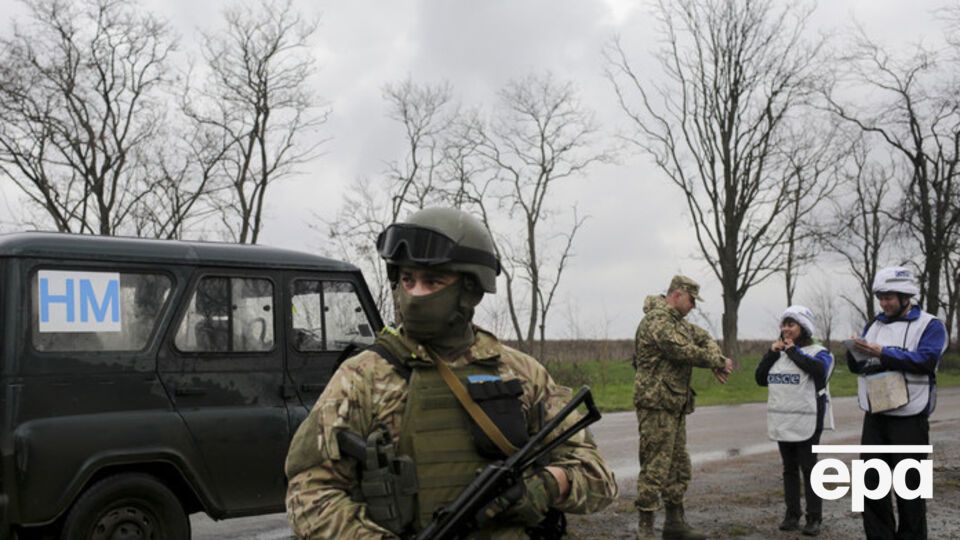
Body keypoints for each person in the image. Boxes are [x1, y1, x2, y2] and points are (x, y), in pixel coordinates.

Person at [284, 207, 618, 539]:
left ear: (470, 289)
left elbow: (598, 478)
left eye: (432, 281)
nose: (414, 295)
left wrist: (547, 486)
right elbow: (308, 495)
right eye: (407, 280)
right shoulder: (362, 376)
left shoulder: (521, 374)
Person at [847, 266, 946, 540]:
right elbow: (860, 366)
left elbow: (926, 360)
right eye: (881, 297)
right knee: (871, 486)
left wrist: (884, 353)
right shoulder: (874, 325)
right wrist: (854, 352)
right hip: (876, 417)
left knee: (910, 490)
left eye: (889, 297)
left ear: (905, 297)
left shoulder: (930, 325)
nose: (884, 303)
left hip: (910, 419)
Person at [633, 275, 734, 540]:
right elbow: (682, 351)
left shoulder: (680, 324)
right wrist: (718, 361)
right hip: (656, 404)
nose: (693, 306)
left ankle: (674, 522)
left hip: (674, 404)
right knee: (655, 465)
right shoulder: (657, 321)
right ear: (677, 295)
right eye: (691, 300)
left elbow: (704, 338)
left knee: (678, 465)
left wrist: (716, 357)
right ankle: (646, 527)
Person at [755, 306, 834, 537]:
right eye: (784, 325)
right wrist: (772, 353)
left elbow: (819, 371)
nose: (786, 329)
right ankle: (792, 514)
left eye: (791, 325)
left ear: (803, 327)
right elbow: (760, 379)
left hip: (808, 421)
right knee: (789, 469)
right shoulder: (778, 353)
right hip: (783, 421)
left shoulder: (820, 352)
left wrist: (792, 352)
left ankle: (814, 517)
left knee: (809, 469)